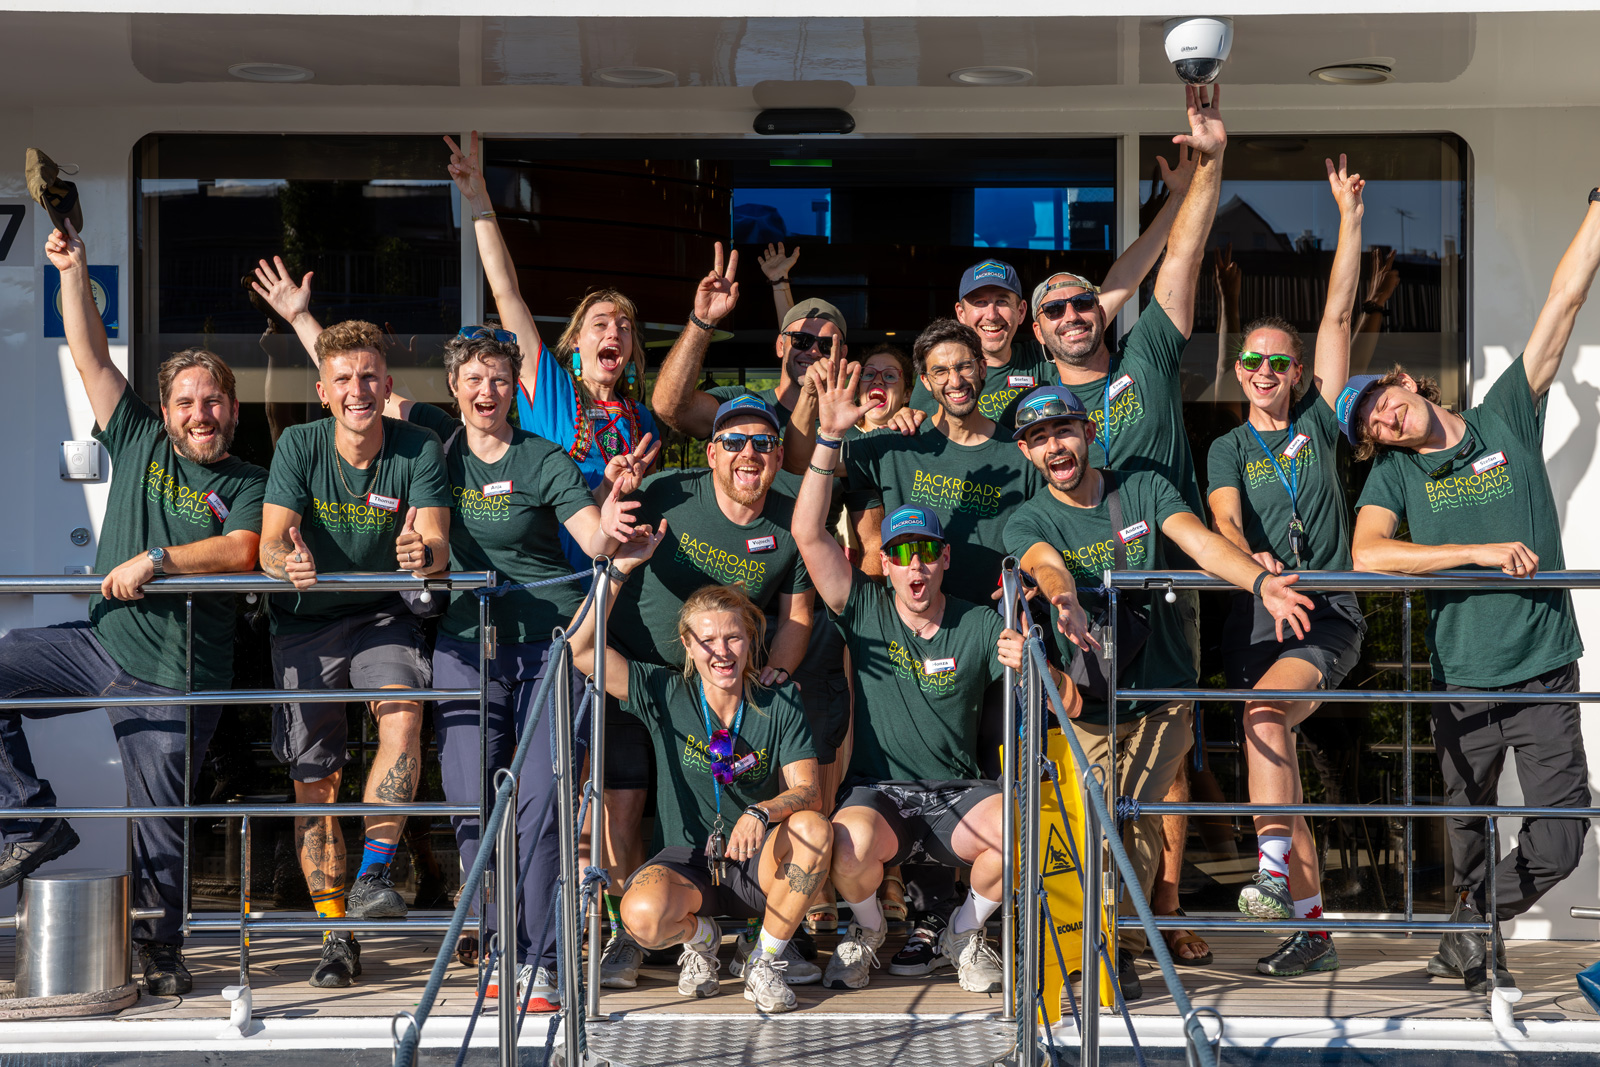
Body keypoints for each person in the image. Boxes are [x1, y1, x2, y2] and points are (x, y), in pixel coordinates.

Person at [0, 223, 267, 997]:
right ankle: (27, 821)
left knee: (159, 821)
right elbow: (86, 355)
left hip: (180, 671)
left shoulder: (250, 477)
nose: (199, 411)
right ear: (166, 407)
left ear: (232, 406)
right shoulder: (140, 435)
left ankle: (160, 950)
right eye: (186, 399)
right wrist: (72, 270)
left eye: (212, 398)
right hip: (102, 643)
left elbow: (245, 549)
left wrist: (156, 560)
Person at [1347, 183, 1600, 994]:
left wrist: (1594, 211)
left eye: (1385, 402)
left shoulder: (1501, 417)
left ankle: (1469, 924)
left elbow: (1562, 304)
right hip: (1465, 678)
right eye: (1372, 425)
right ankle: (1469, 927)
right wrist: (1478, 551)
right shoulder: (1393, 474)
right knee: (1463, 825)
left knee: (1561, 840)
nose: (1386, 420)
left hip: (1543, 666)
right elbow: (1367, 558)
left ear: (1407, 384)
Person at [1003, 384, 1313, 1001]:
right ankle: (1100, 943)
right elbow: (1046, 564)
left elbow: (1198, 540)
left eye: (1063, 431)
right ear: (1026, 452)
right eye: (1039, 439)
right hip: (1092, 699)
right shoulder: (1028, 516)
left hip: (1165, 689)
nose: (1054, 446)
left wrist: (1260, 585)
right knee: (1094, 819)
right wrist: (1063, 601)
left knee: (1134, 815)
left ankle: (1113, 948)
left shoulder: (1142, 487)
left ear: (1089, 433)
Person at [1031, 89, 1228, 964]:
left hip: (1167, 597)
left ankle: (1161, 908)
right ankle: (1100, 928)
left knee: (1169, 767)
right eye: (1057, 311)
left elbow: (1178, 262)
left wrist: (1208, 170)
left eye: (1084, 303)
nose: (1074, 315)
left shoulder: (1144, 353)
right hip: (1078, 618)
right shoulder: (1036, 410)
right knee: (1098, 779)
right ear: (1039, 334)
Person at [796, 359, 1059, 994]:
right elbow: (807, 531)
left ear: (944, 560)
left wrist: (1028, 657)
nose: (913, 566)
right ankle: (866, 930)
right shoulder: (863, 608)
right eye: (899, 554)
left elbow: (1027, 660)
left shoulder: (979, 620)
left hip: (957, 792)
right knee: (845, 842)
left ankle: (963, 933)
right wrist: (829, 438)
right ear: (883, 564)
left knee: (1022, 828)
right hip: (882, 793)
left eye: (924, 553)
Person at [404, 328, 642, 1009]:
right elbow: (349, 388)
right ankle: (499, 944)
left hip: (551, 647)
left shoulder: (543, 458)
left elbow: (591, 536)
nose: (487, 391)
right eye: (474, 379)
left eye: (501, 379)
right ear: (453, 387)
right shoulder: (432, 453)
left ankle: (537, 959)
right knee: (470, 801)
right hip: (462, 649)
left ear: (516, 387)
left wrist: (614, 523)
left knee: (539, 804)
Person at [1205, 155, 1368, 978]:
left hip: (1326, 611)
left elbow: (1337, 315)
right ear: (1239, 372)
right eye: (1254, 363)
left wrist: (1349, 221)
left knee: (1266, 718)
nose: (1267, 372)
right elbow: (1224, 516)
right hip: (1256, 615)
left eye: (1280, 362)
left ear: (1296, 373)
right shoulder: (1228, 444)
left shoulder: (1318, 421)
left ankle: (1271, 878)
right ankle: (1311, 929)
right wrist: (1247, 557)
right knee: (1280, 770)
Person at [598, 394, 819, 989]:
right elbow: (604, 538)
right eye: (735, 442)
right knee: (621, 805)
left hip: (728, 682)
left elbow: (797, 616)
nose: (750, 453)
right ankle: (638, 933)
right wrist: (609, 500)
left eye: (764, 443)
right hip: (644, 673)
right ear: (711, 450)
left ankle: (767, 938)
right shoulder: (668, 489)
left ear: (777, 454)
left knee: (769, 800)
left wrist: (771, 672)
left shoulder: (792, 513)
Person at [258, 319, 452, 988]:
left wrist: (419, 555)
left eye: (369, 376)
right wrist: (289, 560)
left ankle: (373, 874)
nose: (357, 389)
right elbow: (269, 541)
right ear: (323, 390)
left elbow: (437, 543)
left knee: (404, 712)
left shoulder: (419, 445)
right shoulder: (299, 445)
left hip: (382, 616)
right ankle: (335, 935)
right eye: (344, 378)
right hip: (306, 623)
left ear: (388, 385)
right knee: (316, 780)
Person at [567, 539, 833, 1016]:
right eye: (707, 640)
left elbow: (808, 790)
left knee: (814, 830)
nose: (721, 652)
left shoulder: (779, 700)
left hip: (757, 860)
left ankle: (763, 962)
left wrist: (761, 811)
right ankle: (703, 940)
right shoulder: (666, 691)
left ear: (751, 639)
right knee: (641, 916)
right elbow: (580, 648)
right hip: (687, 861)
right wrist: (620, 570)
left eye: (733, 637)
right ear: (688, 645)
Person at [843, 319, 1043, 605]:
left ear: (982, 368)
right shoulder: (897, 442)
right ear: (925, 381)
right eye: (940, 371)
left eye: (964, 366)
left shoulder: (1021, 453)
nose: (955, 381)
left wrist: (1034, 573)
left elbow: (1043, 532)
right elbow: (800, 465)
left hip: (992, 630)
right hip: (909, 628)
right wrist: (830, 431)